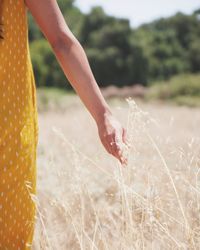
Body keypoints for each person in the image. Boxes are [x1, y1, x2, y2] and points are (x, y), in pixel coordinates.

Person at [0, 0, 130, 248]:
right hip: (10, 134)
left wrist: (103, 114)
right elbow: (60, 40)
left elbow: (62, 41)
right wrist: (103, 114)